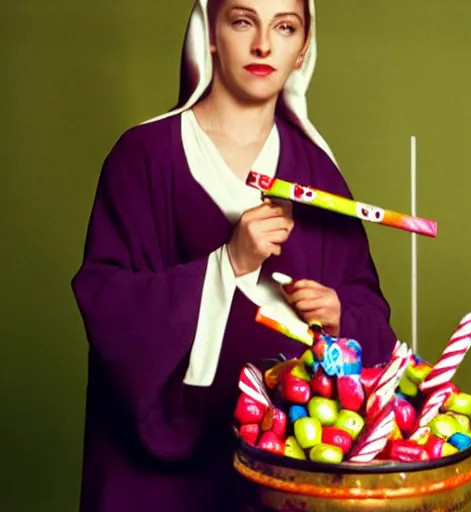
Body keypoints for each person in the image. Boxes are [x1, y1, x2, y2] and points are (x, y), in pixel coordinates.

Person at [71, 0, 397, 510]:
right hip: (157, 478)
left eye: (284, 27)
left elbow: (371, 314)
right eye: (243, 21)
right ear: (212, 34)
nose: (263, 44)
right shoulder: (142, 157)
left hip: (282, 469)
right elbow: (106, 302)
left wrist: (340, 316)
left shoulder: (320, 176)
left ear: (302, 48)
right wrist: (228, 263)